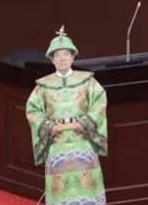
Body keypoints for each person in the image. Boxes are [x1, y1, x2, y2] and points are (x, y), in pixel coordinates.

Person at [26, 26, 108, 205]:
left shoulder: (87, 81)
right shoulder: (43, 86)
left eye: (66, 54)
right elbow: (33, 110)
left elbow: (100, 102)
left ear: (72, 57)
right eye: (57, 55)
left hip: (83, 139)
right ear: (52, 59)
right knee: (59, 185)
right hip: (57, 142)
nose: (62, 58)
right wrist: (50, 127)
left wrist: (84, 123)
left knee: (88, 183)